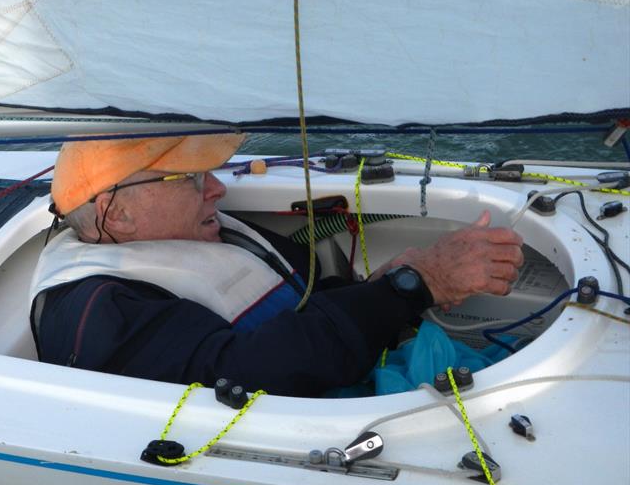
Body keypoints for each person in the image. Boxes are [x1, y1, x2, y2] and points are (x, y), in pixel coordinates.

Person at [30, 133, 524, 397]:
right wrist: (416, 286)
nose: (218, 189)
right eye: (191, 179)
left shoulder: (207, 231)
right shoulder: (96, 309)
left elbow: (305, 298)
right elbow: (248, 375)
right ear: (117, 212)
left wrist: (385, 287)